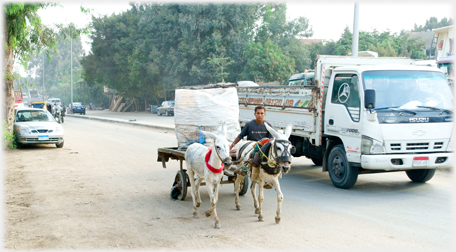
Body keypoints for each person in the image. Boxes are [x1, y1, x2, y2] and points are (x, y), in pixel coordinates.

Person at [230, 105, 274, 189]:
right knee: (254, 158)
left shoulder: (268, 125)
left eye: (261, 113)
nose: (259, 115)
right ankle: (251, 173)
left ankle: (270, 179)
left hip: (264, 147)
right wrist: (232, 145)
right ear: (255, 114)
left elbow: (271, 139)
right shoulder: (249, 124)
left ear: (264, 114)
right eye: (258, 113)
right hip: (252, 147)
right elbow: (240, 136)